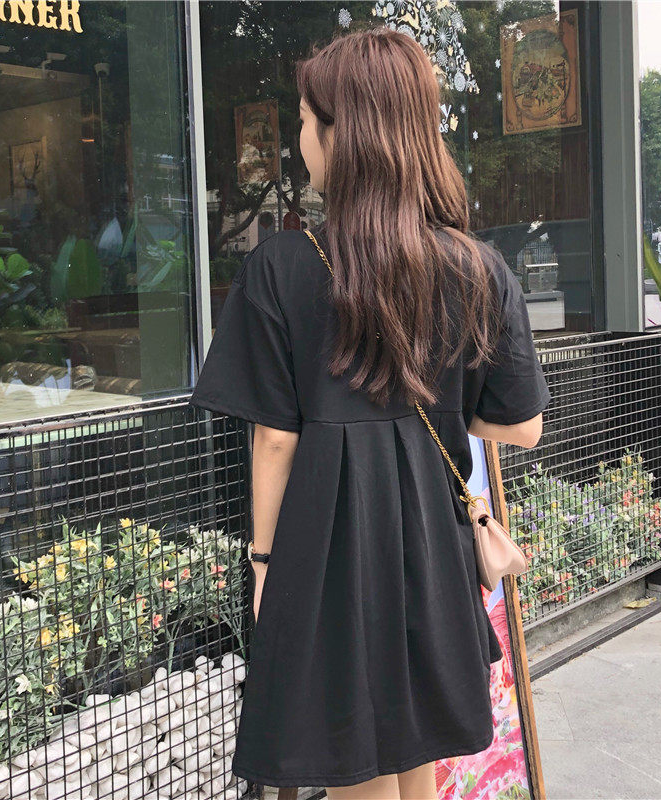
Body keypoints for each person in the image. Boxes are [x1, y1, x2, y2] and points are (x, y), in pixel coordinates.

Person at [188, 27, 551, 800]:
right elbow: (521, 426)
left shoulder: (283, 266)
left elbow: (275, 439)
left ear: (339, 134)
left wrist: (263, 565)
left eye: (304, 121)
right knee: (416, 747)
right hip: (433, 545)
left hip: (330, 554)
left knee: (354, 762)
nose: (298, 140)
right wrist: (437, 406)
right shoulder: (476, 268)